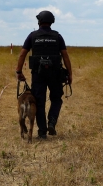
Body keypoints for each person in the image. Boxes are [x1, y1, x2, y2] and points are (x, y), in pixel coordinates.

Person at [15, 10, 72, 139]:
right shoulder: (58, 36)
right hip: (55, 74)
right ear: (52, 22)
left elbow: (23, 53)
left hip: (38, 75)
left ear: (39, 21)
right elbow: (65, 56)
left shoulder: (32, 36)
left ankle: (42, 132)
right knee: (56, 99)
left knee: (39, 102)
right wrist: (69, 74)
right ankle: (52, 122)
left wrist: (19, 71)